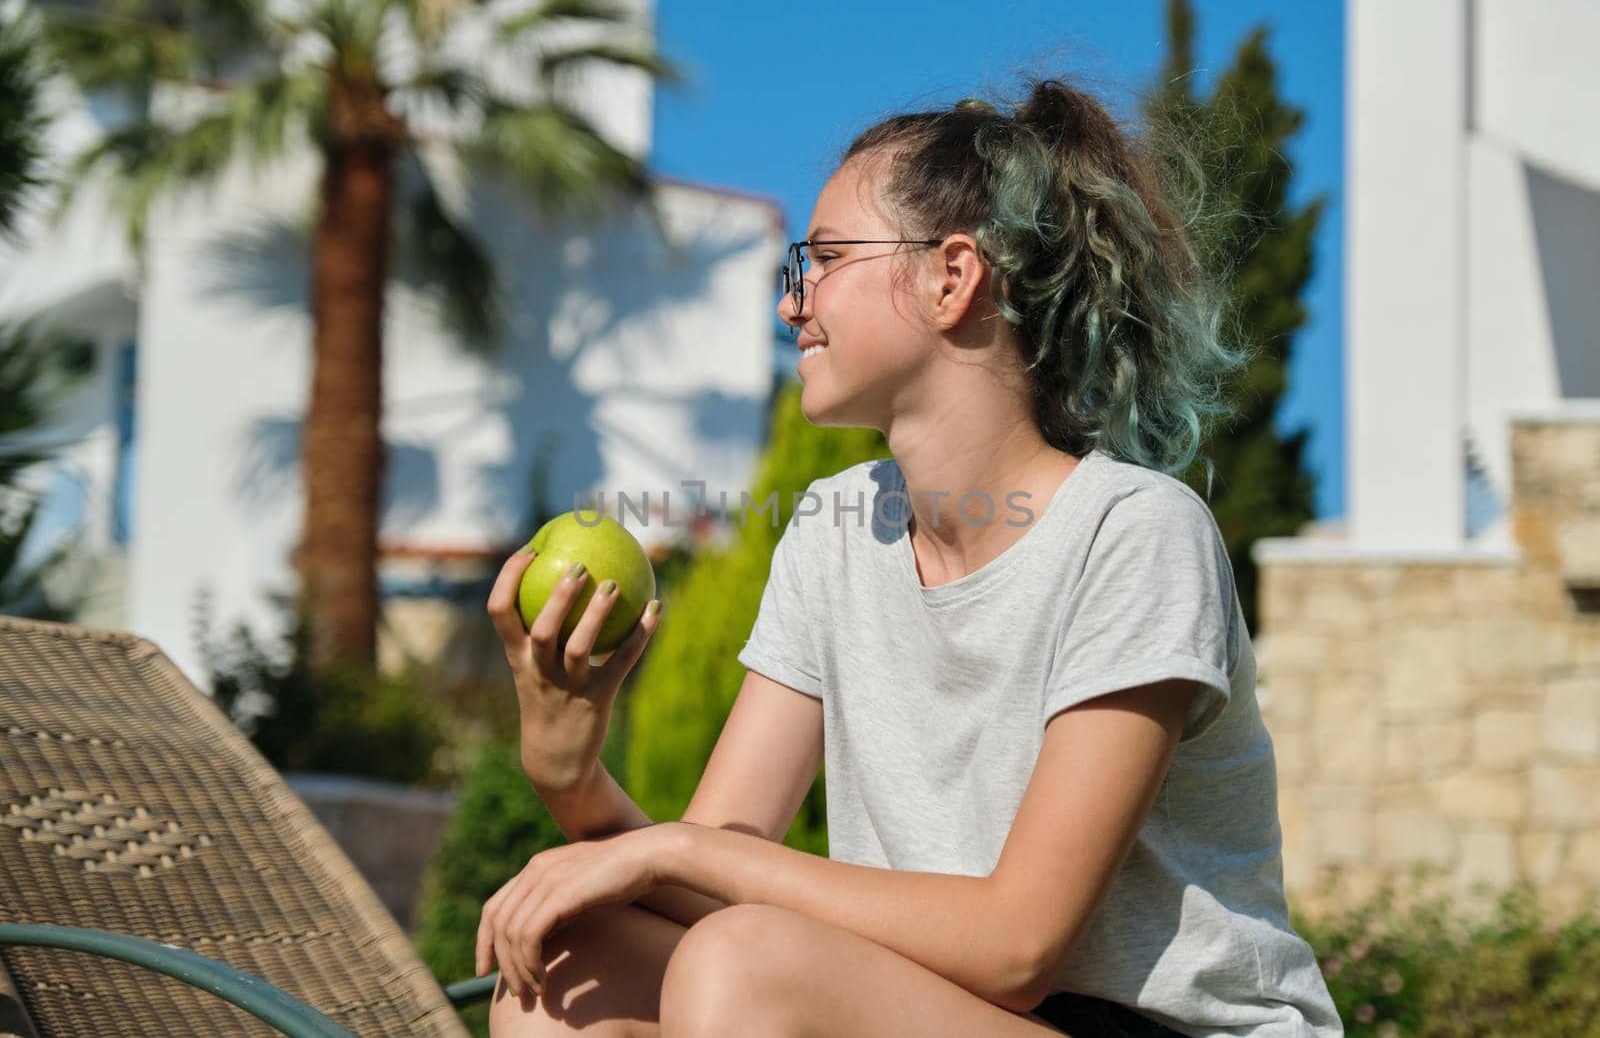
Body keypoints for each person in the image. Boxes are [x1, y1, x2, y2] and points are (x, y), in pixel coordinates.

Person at [478, 75, 1345, 1037]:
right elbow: (704, 870)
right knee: (563, 972)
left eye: (827, 257)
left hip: (1149, 1026)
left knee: (744, 964)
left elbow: (1019, 947)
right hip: (934, 1007)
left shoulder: (1134, 532)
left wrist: (678, 855)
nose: (790, 302)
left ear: (952, 274)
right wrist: (569, 774)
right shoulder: (835, 525)